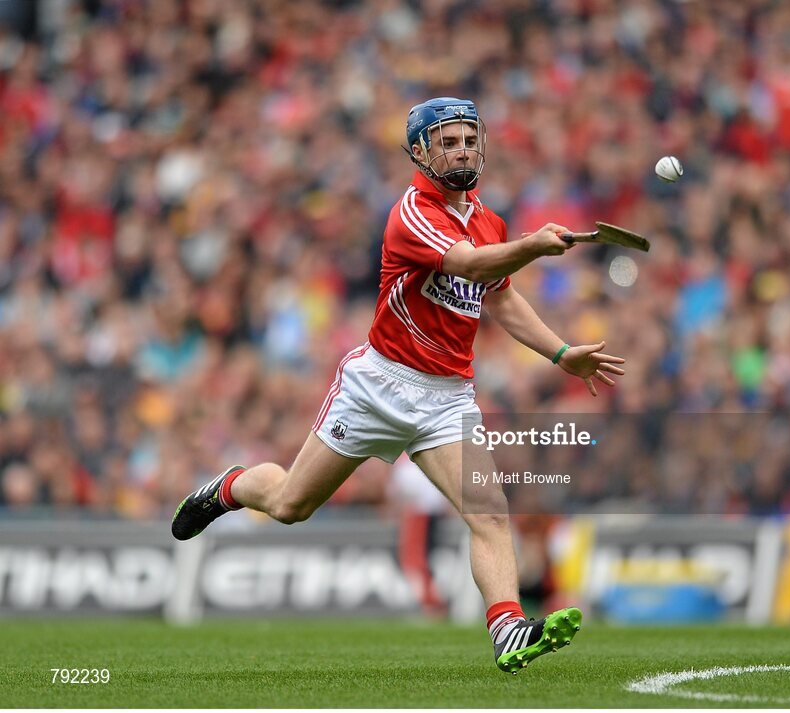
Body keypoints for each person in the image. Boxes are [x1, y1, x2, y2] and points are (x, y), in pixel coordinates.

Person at [171, 97, 626, 674]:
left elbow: (501, 296)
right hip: (378, 385)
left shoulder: (489, 220)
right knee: (290, 505)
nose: (462, 150)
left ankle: (507, 627)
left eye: (468, 139)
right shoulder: (410, 213)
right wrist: (533, 246)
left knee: (488, 512)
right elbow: (469, 267)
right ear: (419, 151)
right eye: (448, 141)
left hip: (448, 398)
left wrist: (561, 353)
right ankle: (230, 487)